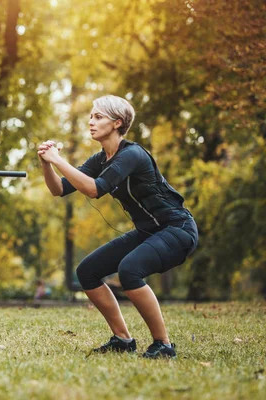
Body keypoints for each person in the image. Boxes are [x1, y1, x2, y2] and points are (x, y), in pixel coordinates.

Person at [38, 95, 198, 359]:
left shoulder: (131, 154)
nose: (91, 121)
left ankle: (164, 345)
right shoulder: (101, 159)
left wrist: (58, 160)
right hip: (150, 231)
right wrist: (47, 164)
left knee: (130, 270)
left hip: (177, 229)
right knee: (88, 271)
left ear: (117, 123)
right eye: (90, 116)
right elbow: (60, 189)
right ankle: (123, 339)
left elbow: (94, 189)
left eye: (98, 117)